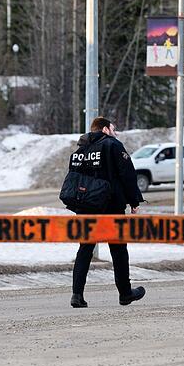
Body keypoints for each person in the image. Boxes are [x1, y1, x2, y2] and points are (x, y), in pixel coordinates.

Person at [67, 117, 145, 308]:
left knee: (85, 249)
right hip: (111, 206)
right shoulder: (112, 145)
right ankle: (125, 293)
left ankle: (77, 295)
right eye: (113, 128)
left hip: (85, 207)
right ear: (104, 129)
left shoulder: (80, 150)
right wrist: (134, 200)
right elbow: (127, 174)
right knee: (118, 250)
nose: (115, 132)